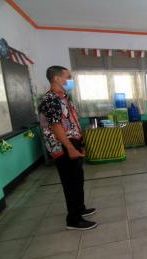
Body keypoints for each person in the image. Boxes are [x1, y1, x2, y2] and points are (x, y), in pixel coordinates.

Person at [38, 66, 97, 230]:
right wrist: (70, 148)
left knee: (78, 178)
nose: (71, 80)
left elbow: (73, 121)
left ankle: (80, 208)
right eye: (68, 77)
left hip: (73, 141)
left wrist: (81, 143)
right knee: (70, 182)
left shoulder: (65, 97)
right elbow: (56, 127)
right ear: (56, 78)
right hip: (63, 146)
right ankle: (73, 219)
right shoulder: (50, 100)